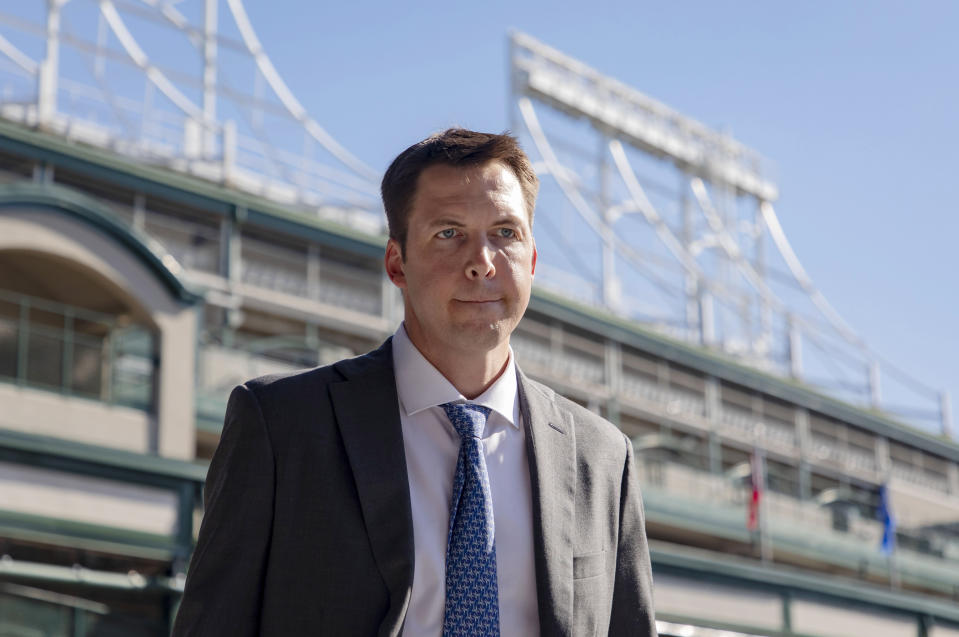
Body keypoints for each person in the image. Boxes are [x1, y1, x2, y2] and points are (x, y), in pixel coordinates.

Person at [172, 129, 657, 636]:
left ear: (532, 261)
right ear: (396, 263)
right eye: (449, 233)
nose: (482, 262)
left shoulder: (603, 458)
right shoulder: (281, 425)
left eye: (506, 233)